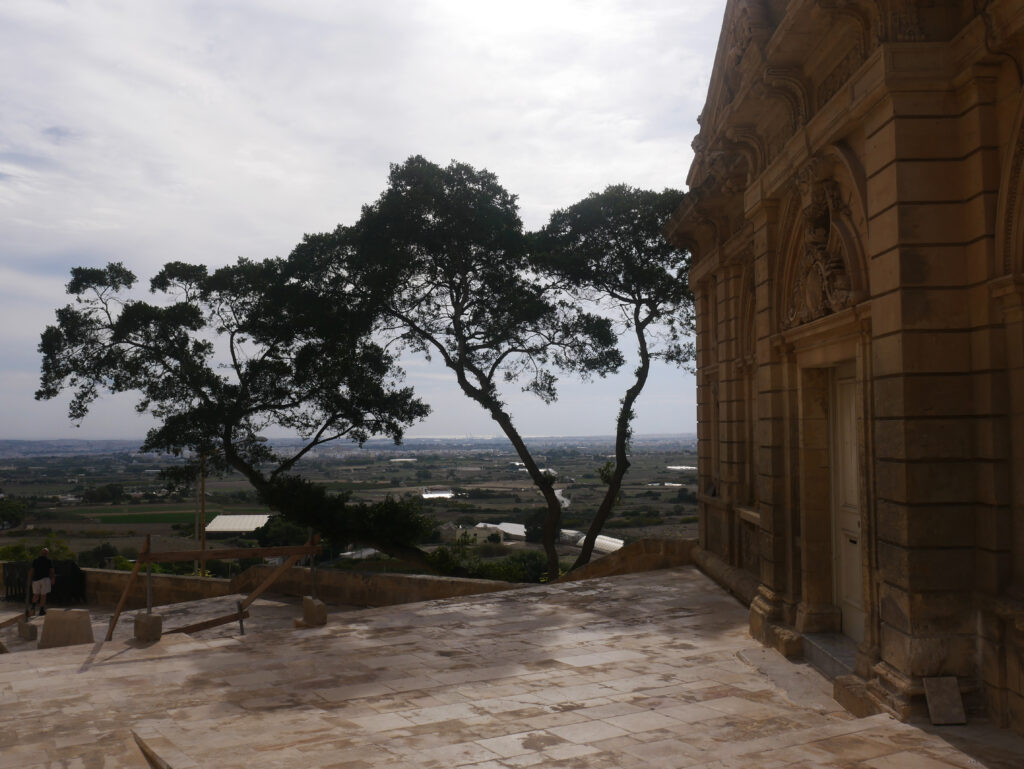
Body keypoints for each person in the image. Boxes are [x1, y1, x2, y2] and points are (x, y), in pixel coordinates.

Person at [28, 547, 55, 618]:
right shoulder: (48, 561)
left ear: (41, 553)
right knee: (43, 595)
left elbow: (31, 570)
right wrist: (52, 578)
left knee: (36, 594)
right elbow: (51, 571)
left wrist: (30, 579)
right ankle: (41, 610)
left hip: (36, 579)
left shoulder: (35, 560)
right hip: (45, 579)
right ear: (47, 554)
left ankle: (33, 607)